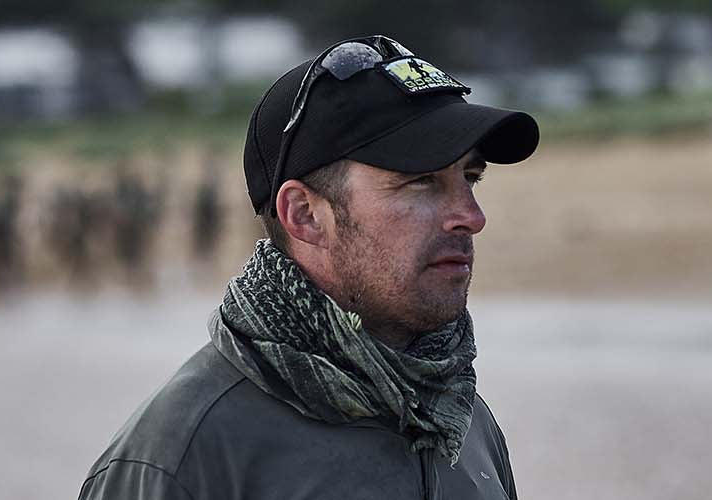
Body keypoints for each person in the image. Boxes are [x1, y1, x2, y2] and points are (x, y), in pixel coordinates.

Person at [77, 35, 540, 500]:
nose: (472, 217)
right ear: (304, 215)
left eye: (470, 178)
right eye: (421, 182)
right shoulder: (181, 457)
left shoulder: (463, 421)